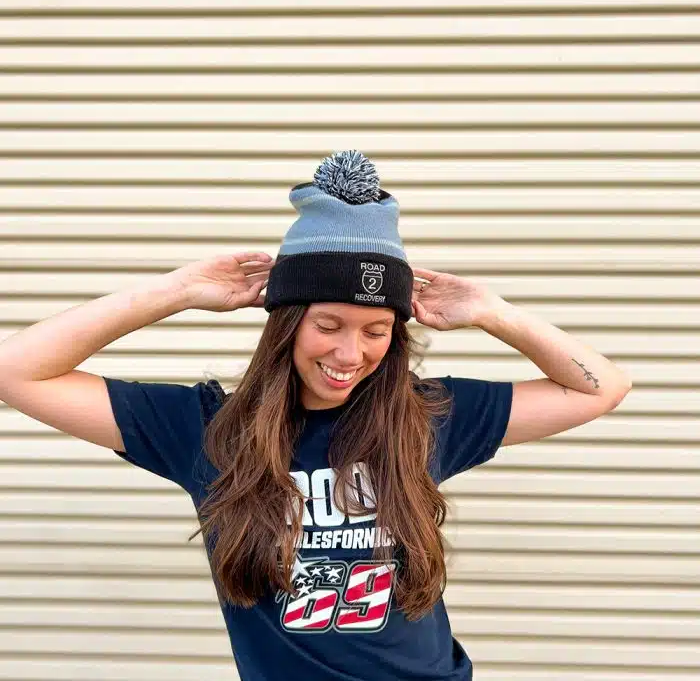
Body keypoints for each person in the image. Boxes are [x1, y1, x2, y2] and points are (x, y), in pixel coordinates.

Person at [0, 150, 632, 680]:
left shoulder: (429, 416)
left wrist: (496, 312)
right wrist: (175, 292)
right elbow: (15, 371)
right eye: (327, 325)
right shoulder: (206, 429)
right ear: (286, 326)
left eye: (376, 330)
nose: (349, 353)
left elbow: (599, 388)